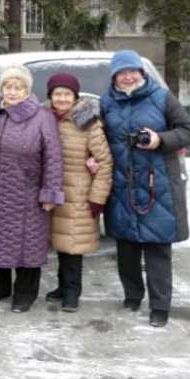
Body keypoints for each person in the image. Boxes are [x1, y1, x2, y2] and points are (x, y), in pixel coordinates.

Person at [100, 50, 190, 328]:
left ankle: (160, 306)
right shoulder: (107, 102)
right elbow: (99, 137)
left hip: (158, 185)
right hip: (122, 184)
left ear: (141, 73)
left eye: (133, 71)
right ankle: (132, 296)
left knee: (157, 248)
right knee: (126, 247)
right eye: (122, 72)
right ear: (114, 77)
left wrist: (160, 139)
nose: (128, 77)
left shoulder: (162, 97)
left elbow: (188, 130)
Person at [0, 65, 64, 312]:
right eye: (8, 86)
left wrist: (50, 192)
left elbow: (53, 157)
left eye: (18, 87)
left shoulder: (42, 117)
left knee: (26, 246)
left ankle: (25, 294)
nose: (12, 91)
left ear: (27, 90)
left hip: (26, 195)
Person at [44, 73, 113, 312]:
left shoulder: (87, 122)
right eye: (57, 94)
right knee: (60, 242)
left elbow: (104, 162)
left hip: (78, 195)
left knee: (73, 245)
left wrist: (97, 198)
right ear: (50, 96)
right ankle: (62, 286)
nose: (62, 99)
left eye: (67, 94)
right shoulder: (44, 118)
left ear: (75, 97)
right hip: (52, 192)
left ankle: (72, 293)